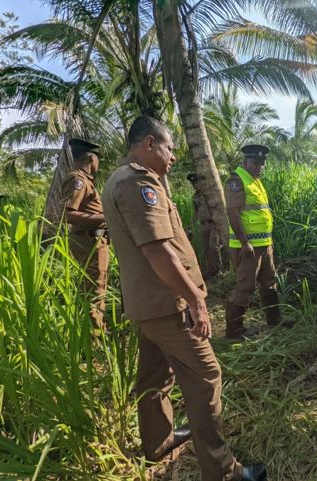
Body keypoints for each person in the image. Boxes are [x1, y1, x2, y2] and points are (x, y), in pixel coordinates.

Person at [101, 116, 266, 481]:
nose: (173, 156)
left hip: (148, 304)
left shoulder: (120, 178)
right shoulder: (139, 183)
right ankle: (223, 471)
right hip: (168, 304)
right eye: (169, 148)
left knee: (155, 374)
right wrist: (195, 299)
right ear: (148, 144)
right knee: (206, 375)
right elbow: (159, 251)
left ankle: (157, 440)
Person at [224, 144, 295, 340]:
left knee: (269, 282)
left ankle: (274, 318)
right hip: (248, 247)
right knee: (245, 286)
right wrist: (245, 242)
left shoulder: (255, 181)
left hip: (264, 244)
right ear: (245, 161)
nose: (260, 167)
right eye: (256, 163)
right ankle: (234, 330)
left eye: (262, 163)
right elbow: (233, 213)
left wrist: (268, 243)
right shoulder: (237, 181)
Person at [60, 138, 109, 332]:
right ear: (91, 157)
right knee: (94, 290)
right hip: (89, 240)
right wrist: (106, 217)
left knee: (98, 288)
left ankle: (100, 330)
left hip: (95, 239)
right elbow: (68, 214)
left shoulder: (86, 181)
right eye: (97, 159)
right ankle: (95, 339)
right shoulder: (77, 179)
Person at [187, 173, 222, 278]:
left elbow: (217, 207)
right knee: (206, 249)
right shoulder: (195, 197)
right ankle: (211, 270)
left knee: (213, 246)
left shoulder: (208, 195)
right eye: (193, 184)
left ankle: (219, 269)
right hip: (203, 226)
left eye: (196, 182)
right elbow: (196, 212)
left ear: (201, 182)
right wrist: (190, 225)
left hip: (213, 224)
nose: (195, 185)